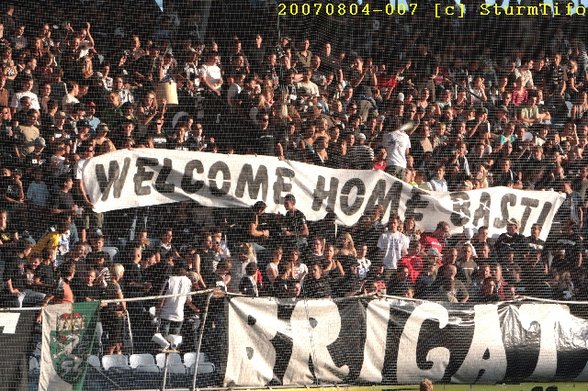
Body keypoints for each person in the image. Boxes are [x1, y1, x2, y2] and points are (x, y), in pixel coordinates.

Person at [157, 264, 199, 337]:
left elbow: (162, 298)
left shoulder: (169, 280)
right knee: (174, 341)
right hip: (179, 315)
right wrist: (196, 309)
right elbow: (189, 300)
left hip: (166, 315)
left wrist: (157, 312)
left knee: (163, 341)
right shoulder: (188, 282)